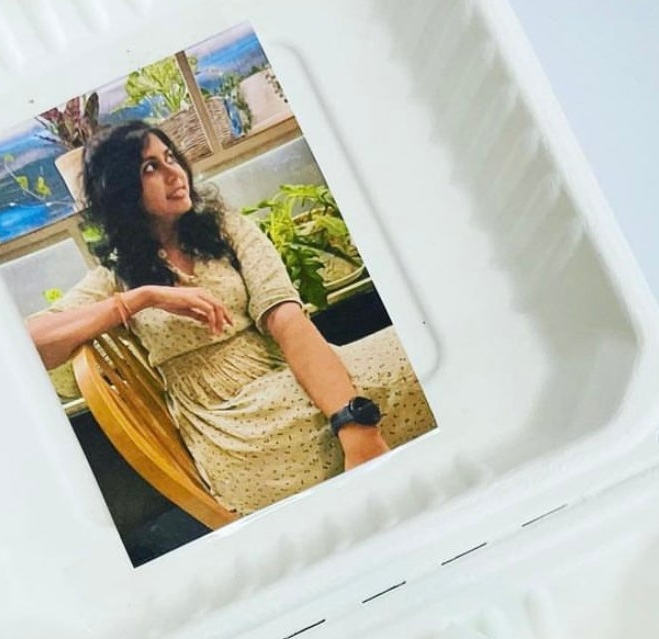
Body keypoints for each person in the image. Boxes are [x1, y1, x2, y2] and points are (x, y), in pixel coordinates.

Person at [29, 121, 434, 515]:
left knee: (423, 344)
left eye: (170, 157)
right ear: (120, 191)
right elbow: (29, 345)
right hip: (234, 432)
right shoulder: (116, 279)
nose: (174, 172)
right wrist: (138, 299)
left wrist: (353, 423)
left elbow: (286, 320)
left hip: (285, 377)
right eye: (150, 167)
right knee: (425, 363)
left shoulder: (225, 231)